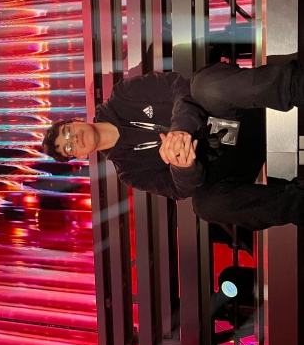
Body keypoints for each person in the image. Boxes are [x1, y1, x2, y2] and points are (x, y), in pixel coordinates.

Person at [42, 60, 304, 230]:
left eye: (68, 133)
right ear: (79, 156)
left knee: (204, 85)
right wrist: (184, 167)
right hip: (228, 160)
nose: (73, 140)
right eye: (69, 148)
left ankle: (298, 86)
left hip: (234, 109)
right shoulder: (130, 172)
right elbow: (178, 189)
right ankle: (299, 203)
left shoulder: (122, 95)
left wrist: (181, 128)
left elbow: (178, 86)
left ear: (76, 121)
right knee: (205, 206)